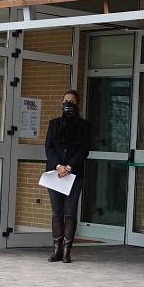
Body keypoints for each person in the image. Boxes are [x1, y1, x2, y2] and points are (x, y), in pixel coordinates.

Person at [43, 89, 91, 263]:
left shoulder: (84, 126)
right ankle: (56, 249)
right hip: (54, 172)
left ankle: (67, 251)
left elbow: (84, 149)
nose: (68, 104)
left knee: (70, 212)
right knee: (57, 212)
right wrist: (58, 166)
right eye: (65, 101)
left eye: (71, 101)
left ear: (77, 105)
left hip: (74, 174)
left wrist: (69, 167)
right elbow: (49, 148)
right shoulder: (54, 123)